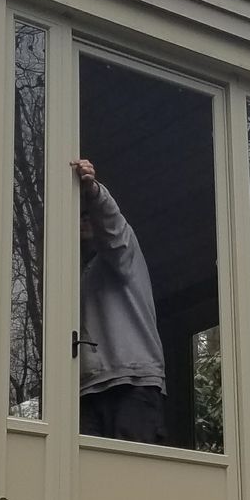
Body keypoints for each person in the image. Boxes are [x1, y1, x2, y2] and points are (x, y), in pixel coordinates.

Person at [74, 158, 168, 444]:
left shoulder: (124, 256)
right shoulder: (79, 276)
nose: (86, 221)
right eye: (80, 216)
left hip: (133, 383)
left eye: (89, 215)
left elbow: (115, 232)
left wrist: (94, 194)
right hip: (88, 390)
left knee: (131, 480)